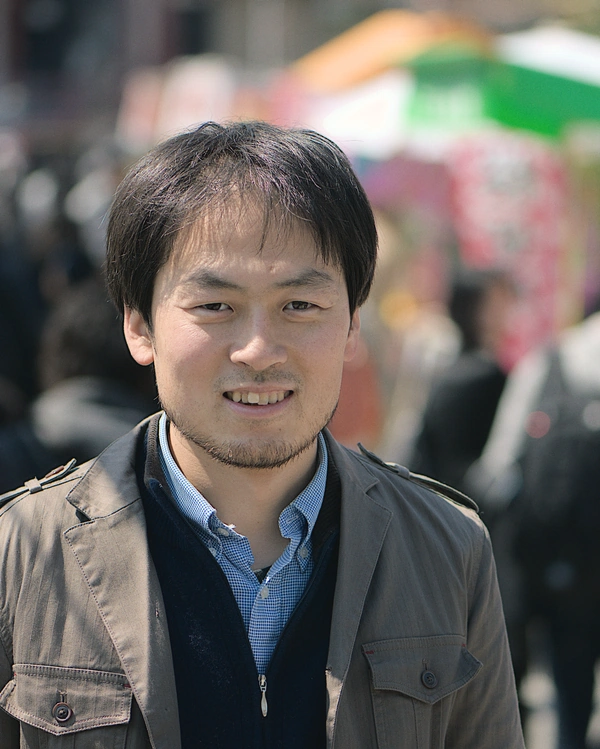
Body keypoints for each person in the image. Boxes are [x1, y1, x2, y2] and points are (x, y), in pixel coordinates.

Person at [0, 121, 524, 748]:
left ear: (353, 323)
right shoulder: (21, 554)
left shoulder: (448, 549)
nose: (258, 350)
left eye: (299, 306)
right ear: (139, 325)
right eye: (215, 306)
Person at [409, 268, 513, 494]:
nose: (508, 310)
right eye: (498, 303)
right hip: (463, 505)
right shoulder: (483, 375)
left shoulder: (453, 368)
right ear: (478, 311)